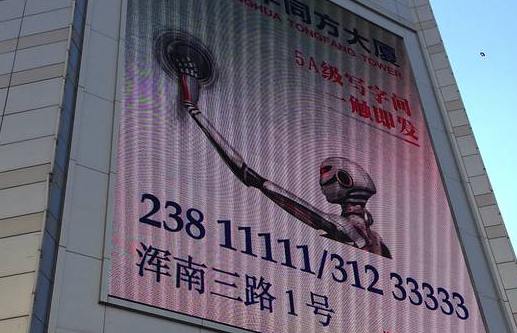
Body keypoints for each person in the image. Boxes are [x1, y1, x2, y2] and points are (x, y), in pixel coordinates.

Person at [162, 31, 391, 258]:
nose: (323, 185)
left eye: (327, 176)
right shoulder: (376, 240)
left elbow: (250, 176)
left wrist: (193, 110)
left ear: (345, 180)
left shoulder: (346, 228)